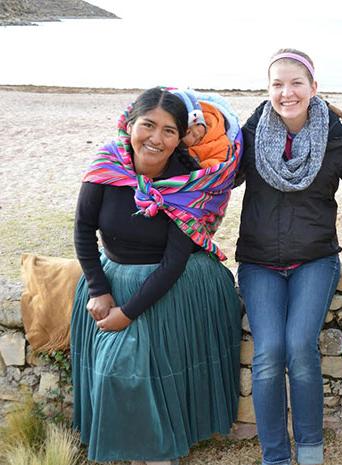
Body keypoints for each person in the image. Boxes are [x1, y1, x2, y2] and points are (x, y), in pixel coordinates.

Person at [71, 87, 242, 464]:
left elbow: (173, 262)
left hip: (172, 283)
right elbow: (83, 230)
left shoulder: (187, 184)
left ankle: (159, 455)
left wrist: (128, 313)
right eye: (148, 125)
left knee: (131, 368)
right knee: (120, 372)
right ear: (130, 124)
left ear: (180, 137)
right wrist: (99, 290)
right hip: (114, 279)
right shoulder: (107, 166)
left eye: (169, 130)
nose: (156, 138)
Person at [235, 49, 342, 465]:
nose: (287, 92)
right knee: (269, 351)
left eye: (296, 83)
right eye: (277, 84)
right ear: (268, 89)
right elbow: (215, 177)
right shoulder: (252, 133)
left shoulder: (337, 136)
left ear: (314, 87)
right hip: (259, 262)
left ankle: (310, 453)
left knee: (299, 347)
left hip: (315, 259)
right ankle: (275, 457)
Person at [169, 88, 243, 169]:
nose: (196, 133)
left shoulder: (217, 137)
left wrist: (205, 166)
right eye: (188, 132)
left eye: (198, 124)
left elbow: (221, 158)